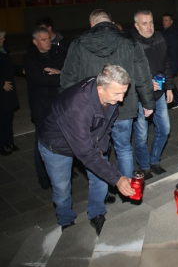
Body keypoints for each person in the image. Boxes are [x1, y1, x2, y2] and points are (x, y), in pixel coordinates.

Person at [38, 65, 136, 235]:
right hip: (56, 147)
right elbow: (84, 153)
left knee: (101, 177)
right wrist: (118, 179)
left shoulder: (109, 95)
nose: (121, 99)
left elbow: (107, 125)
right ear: (100, 89)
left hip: (87, 139)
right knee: (62, 188)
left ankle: (97, 213)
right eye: (117, 94)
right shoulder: (77, 107)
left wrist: (102, 148)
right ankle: (66, 220)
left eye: (123, 93)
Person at [60, 9, 155, 181]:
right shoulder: (129, 42)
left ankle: (101, 193)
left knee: (96, 152)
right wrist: (148, 103)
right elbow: (143, 75)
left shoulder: (79, 43)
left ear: (91, 23)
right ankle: (127, 189)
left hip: (91, 109)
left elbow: (68, 79)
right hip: (123, 106)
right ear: (111, 22)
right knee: (124, 147)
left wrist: (68, 108)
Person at [131, 10, 173, 178]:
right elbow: (128, 72)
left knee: (165, 129)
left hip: (159, 94)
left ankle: (154, 160)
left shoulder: (160, 38)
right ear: (136, 25)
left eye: (151, 23)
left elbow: (167, 63)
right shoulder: (131, 44)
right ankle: (144, 166)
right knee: (141, 135)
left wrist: (169, 87)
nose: (149, 27)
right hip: (140, 97)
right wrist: (145, 82)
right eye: (144, 23)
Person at [24, 27, 66, 189]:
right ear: (35, 42)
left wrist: (60, 73)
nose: (48, 41)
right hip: (41, 105)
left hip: (59, 103)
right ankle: (43, 175)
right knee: (41, 141)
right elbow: (39, 79)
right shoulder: (30, 58)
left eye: (48, 38)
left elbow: (68, 70)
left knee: (63, 136)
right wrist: (61, 77)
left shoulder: (56, 52)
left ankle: (64, 167)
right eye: (43, 39)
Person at [0, 30, 19, 156]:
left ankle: (9, 142)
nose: (3, 40)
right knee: (2, 120)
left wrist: (22, 69)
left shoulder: (3, 51)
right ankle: (1, 146)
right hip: (1, 92)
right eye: (1, 38)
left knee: (8, 118)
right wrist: (1, 83)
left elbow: (9, 66)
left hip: (8, 93)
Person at [161, 13, 178, 109]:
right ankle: (176, 100)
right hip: (167, 63)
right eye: (163, 20)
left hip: (170, 63)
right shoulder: (164, 31)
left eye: (167, 20)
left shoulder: (173, 34)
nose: (164, 22)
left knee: (167, 81)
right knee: (166, 81)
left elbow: (172, 52)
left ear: (171, 22)